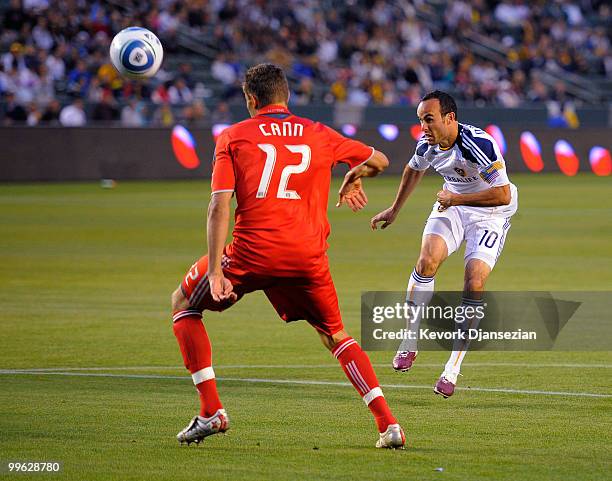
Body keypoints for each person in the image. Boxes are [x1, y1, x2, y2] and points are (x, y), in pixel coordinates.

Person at [171, 63, 405, 449]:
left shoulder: (232, 136)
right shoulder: (318, 133)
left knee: (183, 303)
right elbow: (380, 160)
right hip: (307, 258)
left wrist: (215, 271)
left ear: (251, 99)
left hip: (250, 254)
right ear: (287, 96)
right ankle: (388, 425)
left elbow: (219, 206)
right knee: (337, 337)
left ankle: (211, 410)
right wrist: (353, 175)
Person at [371, 90, 518, 398]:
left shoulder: (479, 143)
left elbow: (503, 194)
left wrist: (456, 198)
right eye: (420, 120)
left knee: (473, 281)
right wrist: (394, 209)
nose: (423, 127)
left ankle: (452, 368)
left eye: (429, 119)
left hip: (490, 213)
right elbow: (414, 168)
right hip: (453, 204)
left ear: (450, 118)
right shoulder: (427, 143)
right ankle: (410, 340)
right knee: (426, 261)